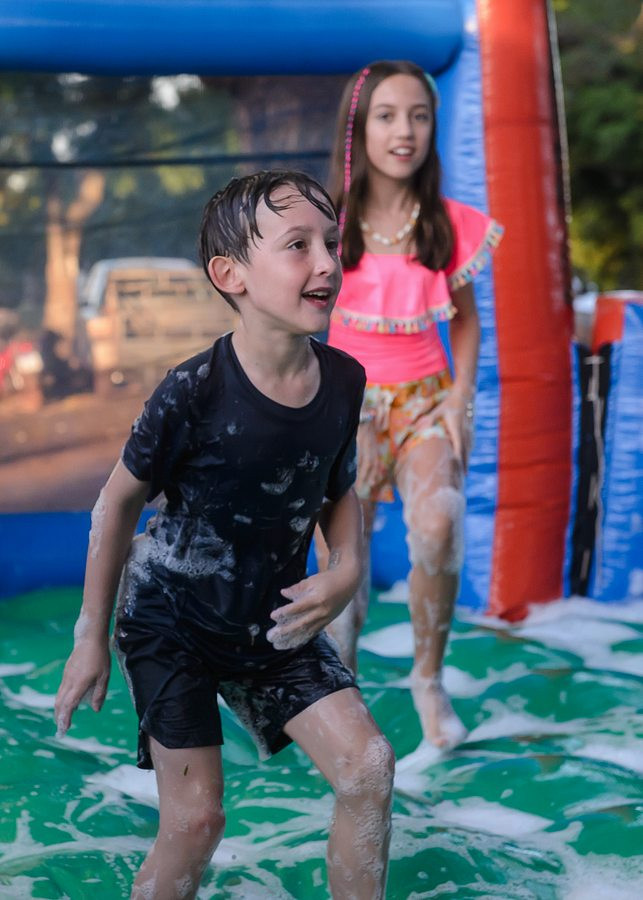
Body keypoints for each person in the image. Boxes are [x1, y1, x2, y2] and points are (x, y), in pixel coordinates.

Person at [54, 170, 394, 900]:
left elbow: (338, 489)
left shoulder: (343, 380)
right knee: (196, 821)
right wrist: (89, 636)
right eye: (298, 246)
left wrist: (345, 569)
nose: (326, 263)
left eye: (331, 243)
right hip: (171, 621)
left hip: (271, 619)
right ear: (230, 275)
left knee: (368, 768)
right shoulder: (194, 390)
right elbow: (115, 504)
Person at [320, 60, 503, 754]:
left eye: (419, 116)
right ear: (357, 128)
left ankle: (428, 678)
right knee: (344, 561)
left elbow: (465, 320)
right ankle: (340, 686)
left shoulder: (445, 224)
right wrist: (340, 415)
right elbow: (301, 324)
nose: (405, 131)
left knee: (438, 523)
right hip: (347, 408)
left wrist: (460, 398)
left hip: (427, 400)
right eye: (387, 116)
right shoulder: (328, 222)